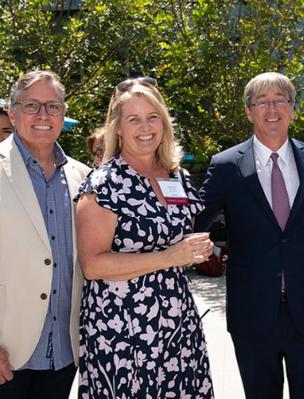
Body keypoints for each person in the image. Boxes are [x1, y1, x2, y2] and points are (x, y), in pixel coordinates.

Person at [195, 72, 304, 399]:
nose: (272, 108)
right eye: (262, 101)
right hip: (253, 313)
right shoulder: (226, 165)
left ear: (292, 108)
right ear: (249, 111)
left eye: (280, 100)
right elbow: (193, 221)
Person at [75, 78, 214, 398]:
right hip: (123, 332)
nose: (145, 127)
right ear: (118, 128)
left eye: (153, 117)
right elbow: (92, 265)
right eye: (134, 119)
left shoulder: (178, 177)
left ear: (164, 123)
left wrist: (193, 250)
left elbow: (179, 236)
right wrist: (170, 257)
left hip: (177, 324)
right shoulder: (104, 183)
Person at [0, 70, 90, 398]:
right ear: (12, 112)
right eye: (31, 106)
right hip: (8, 354)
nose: (43, 115)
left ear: (63, 114)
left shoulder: (85, 177)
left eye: (52, 106)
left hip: (64, 352)